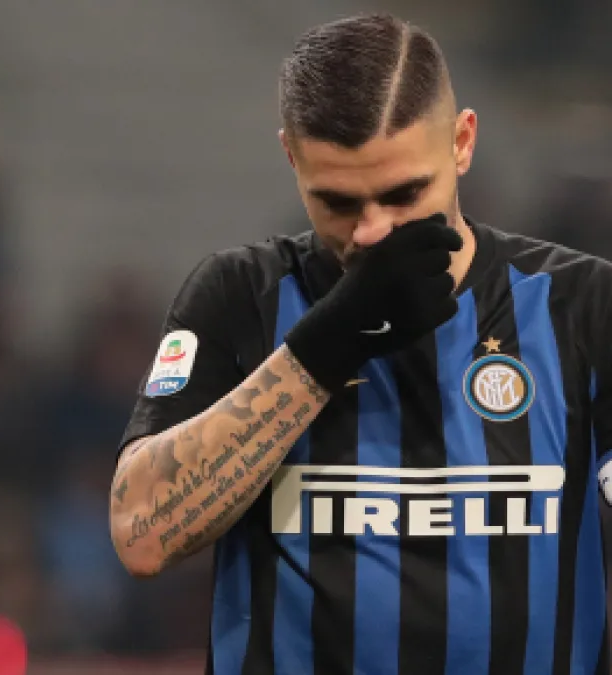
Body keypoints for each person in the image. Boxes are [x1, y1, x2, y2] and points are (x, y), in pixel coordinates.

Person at [109, 13, 611, 675]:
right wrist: (324, 346)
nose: (372, 231)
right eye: (339, 201)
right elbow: (143, 535)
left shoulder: (584, 307)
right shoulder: (240, 296)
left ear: (462, 143)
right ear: (292, 158)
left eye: (404, 193)